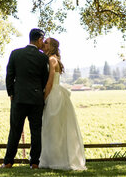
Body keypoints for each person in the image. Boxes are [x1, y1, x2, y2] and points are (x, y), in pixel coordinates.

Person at [3, 28, 50, 168]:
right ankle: (34, 163)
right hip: (36, 99)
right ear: (40, 39)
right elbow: (45, 79)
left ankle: (8, 162)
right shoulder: (43, 57)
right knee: (36, 131)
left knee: (15, 130)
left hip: (19, 98)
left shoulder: (15, 54)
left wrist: (11, 93)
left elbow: (9, 76)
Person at [39, 37, 86, 171]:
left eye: (46, 42)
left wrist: (44, 98)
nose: (43, 44)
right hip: (58, 94)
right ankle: (56, 159)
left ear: (52, 46)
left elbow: (49, 82)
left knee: (52, 128)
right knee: (56, 128)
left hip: (53, 95)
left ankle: (55, 160)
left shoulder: (51, 59)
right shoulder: (55, 59)